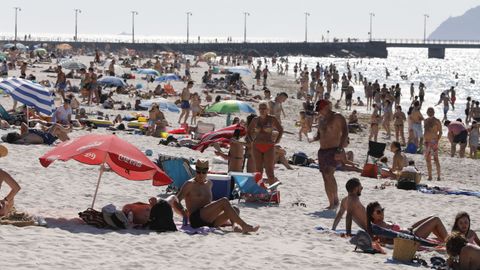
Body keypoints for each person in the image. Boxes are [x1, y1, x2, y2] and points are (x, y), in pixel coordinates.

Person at [174, 160, 259, 233]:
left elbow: (207, 203)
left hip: (210, 220)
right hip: (196, 219)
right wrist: (183, 212)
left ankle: (235, 226)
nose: (201, 174)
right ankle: (245, 226)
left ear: (207, 172)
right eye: (198, 171)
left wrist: (215, 209)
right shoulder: (189, 184)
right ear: (195, 171)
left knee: (235, 209)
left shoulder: (209, 183)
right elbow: (176, 200)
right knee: (224, 201)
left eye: (203, 172)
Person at [309, 99, 348, 209]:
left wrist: (340, 149)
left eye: (320, 109)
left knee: (329, 173)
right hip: (322, 151)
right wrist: (310, 136)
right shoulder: (321, 120)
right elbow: (318, 136)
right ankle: (331, 202)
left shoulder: (337, 117)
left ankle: (335, 200)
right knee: (325, 177)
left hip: (334, 149)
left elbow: (345, 131)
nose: (319, 112)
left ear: (326, 107)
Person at [366, 201, 448, 243]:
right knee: (436, 219)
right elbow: (385, 240)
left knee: (431, 218)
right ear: (372, 215)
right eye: (378, 212)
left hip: (410, 230)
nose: (382, 213)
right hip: (412, 237)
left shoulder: (383, 223)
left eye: (382, 210)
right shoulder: (378, 227)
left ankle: (446, 240)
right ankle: (451, 242)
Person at [247, 102, 283, 185]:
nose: (262, 110)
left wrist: (277, 140)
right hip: (257, 146)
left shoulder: (272, 119)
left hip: (269, 146)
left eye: (264, 108)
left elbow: (280, 129)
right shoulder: (255, 119)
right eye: (260, 108)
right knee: (258, 171)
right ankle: (259, 190)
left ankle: (272, 192)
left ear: (268, 109)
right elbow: (248, 131)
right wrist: (252, 141)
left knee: (269, 171)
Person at [0, 145, 21, 217]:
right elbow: (16, 188)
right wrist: (5, 200)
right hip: (1, 211)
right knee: (11, 199)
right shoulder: (1, 173)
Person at [424, 107, 443, 180]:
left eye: (431, 111)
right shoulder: (425, 120)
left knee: (436, 159)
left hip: (434, 141)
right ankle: (430, 176)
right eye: (428, 111)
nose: (430, 112)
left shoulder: (437, 121)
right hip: (426, 142)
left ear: (434, 112)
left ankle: (438, 176)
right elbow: (425, 130)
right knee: (427, 159)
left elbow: (440, 132)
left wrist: (437, 139)